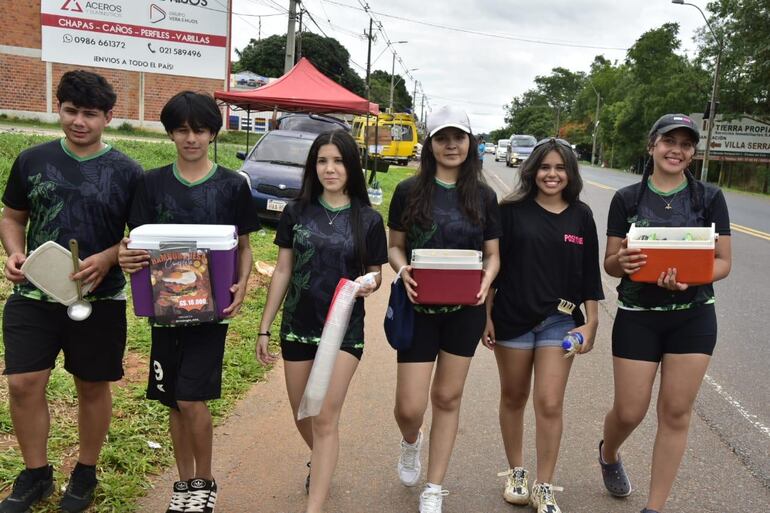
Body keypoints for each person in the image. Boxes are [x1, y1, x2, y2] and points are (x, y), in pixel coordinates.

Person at [0, 70, 142, 513]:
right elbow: (11, 216)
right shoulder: (32, 160)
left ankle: (85, 470)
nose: (79, 121)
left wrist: (107, 257)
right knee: (24, 383)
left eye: (91, 114)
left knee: (92, 386)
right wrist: (14, 253)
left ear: (109, 117)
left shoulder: (128, 172)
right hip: (34, 294)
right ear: (57, 108)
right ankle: (36, 474)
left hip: (99, 299)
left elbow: (139, 237)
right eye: (71, 110)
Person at [118, 91, 259, 513]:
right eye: (182, 130)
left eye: (199, 129)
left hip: (209, 313)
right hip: (163, 313)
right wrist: (126, 257)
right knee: (173, 399)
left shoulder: (232, 185)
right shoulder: (151, 183)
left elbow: (245, 247)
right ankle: (183, 485)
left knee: (191, 397)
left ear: (212, 133)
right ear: (171, 133)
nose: (191, 138)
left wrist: (243, 283)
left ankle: (205, 480)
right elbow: (135, 242)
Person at [598, 114, 731, 513]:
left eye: (686, 144)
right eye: (668, 141)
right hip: (638, 314)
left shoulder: (709, 197)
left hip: (693, 315)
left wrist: (695, 278)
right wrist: (622, 260)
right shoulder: (627, 199)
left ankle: (654, 507)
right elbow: (610, 263)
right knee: (629, 410)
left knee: (675, 411)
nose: (677, 150)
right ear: (652, 145)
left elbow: (723, 261)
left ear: (693, 152)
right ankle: (608, 453)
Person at [255, 129, 387, 513]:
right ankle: (322, 458)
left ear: (352, 165)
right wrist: (265, 325)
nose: (331, 169)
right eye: (323, 161)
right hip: (298, 324)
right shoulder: (297, 212)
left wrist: (369, 284)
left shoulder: (369, 219)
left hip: (344, 330)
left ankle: (314, 506)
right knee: (304, 413)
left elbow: (376, 272)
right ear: (314, 166)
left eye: (339, 161)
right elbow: (282, 270)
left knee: (326, 415)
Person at [387, 105, 501, 513]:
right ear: (430, 144)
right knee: (410, 407)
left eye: (459, 137)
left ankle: (434, 486)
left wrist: (487, 281)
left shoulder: (484, 196)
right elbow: (395, 246)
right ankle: (410, 441)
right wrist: (403, 272)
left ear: (470, 143)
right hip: (418, 307)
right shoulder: (408, 191)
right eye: (442, 138)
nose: (451, 145)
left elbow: (493, 255)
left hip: (465, 310)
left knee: (449, 397)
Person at [483, 137, 604, 513]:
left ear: (570, 173)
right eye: (545, 167)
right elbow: (494, 266)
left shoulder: (581, 215)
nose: (552, 175)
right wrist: (486, 315)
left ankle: (544, 484)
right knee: (514, 397)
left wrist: (592, 323)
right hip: (512, 319)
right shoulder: (511, 210)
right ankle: (517, 472)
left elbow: (589, 276)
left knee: (550, 403)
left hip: (560, 321)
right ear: (532, 170)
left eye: (560, 168)